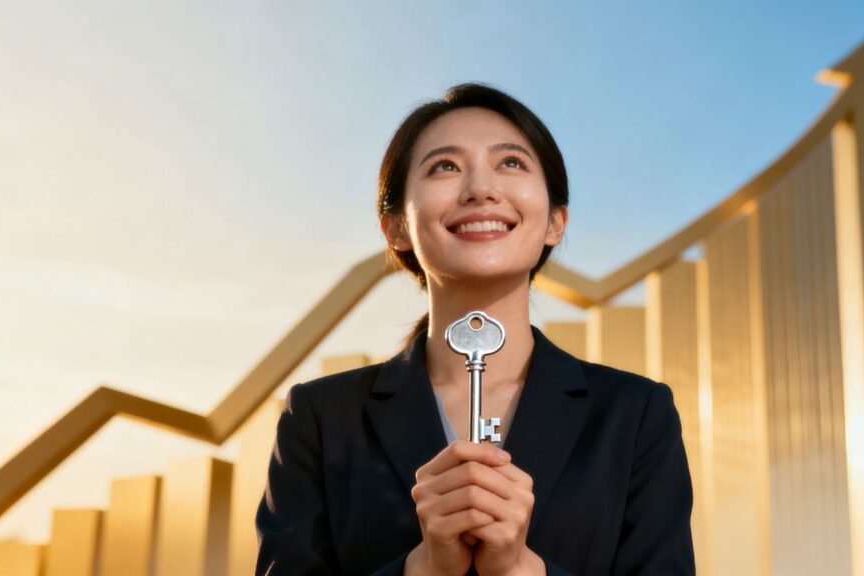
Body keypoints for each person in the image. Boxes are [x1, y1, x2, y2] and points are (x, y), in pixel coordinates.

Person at [256, 83, 695, 575]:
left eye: (511, 163)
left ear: (555, 220)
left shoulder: (635, 416)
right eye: (444, 166)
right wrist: (422, 569)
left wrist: (521, 569)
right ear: (396, 226)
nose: (480, 189)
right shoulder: (320, 418)